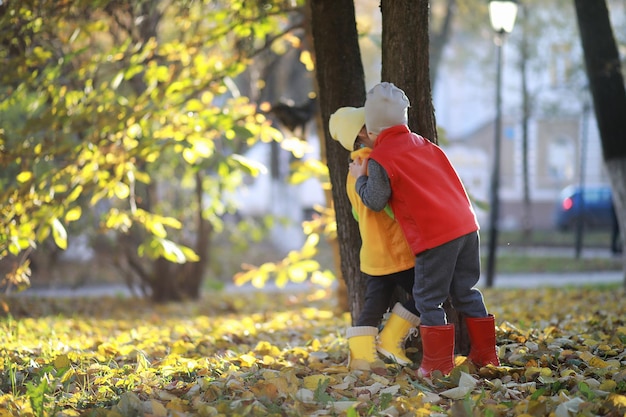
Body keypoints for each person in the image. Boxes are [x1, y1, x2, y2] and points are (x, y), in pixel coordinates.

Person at [348, 82, 500, 378]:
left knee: (429, 298)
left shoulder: (381, 157)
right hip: (466, 226)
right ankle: (485, 354)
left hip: (435, 235)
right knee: (465, 291)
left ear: (372, 128)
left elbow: (375, 202)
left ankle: (437, 365)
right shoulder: (423, 143)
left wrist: (359, 178)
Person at [329, 106, 420, 370]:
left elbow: (359, 216)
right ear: (361, 132)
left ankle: (361, 359)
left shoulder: (352, 171)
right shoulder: (376, 161)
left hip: (373, 255)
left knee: (373, 307)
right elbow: (388, 205)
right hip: (398, 252)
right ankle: (390, 340)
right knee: (429, 295)